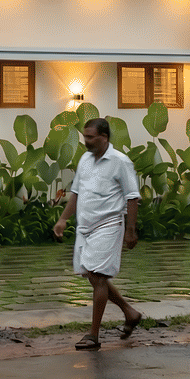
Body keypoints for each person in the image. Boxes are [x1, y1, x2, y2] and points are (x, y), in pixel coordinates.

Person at [53, 116, 143, 350]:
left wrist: (130, 230)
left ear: (104, 137)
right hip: (85, 228)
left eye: (91, 137)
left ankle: (93, 335)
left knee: (99, 277)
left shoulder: (120, 162)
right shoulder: (85, 159)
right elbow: (76, 193)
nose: (86, 141)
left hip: (109, 225)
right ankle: (130, 312)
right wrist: (63, 219)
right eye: (85, 137)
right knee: (93, 277)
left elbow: (132, 197)